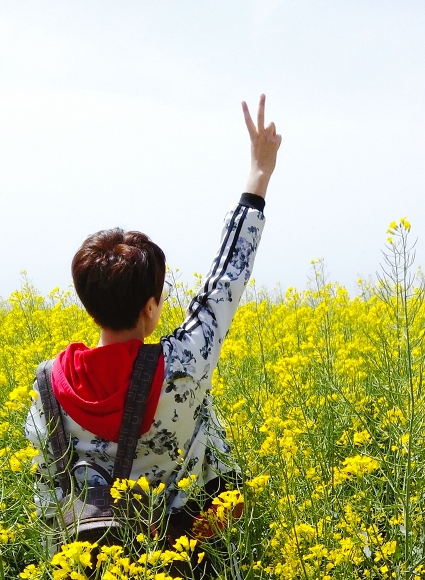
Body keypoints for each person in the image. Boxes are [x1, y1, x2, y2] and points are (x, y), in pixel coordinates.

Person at [24, 95, 281, 538]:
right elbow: (225, 281)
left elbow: (48, 497)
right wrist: (258, 175)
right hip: (192, 561)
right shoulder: (182, 367)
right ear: (150, 308)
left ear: (88, 305)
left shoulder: (47, 389)